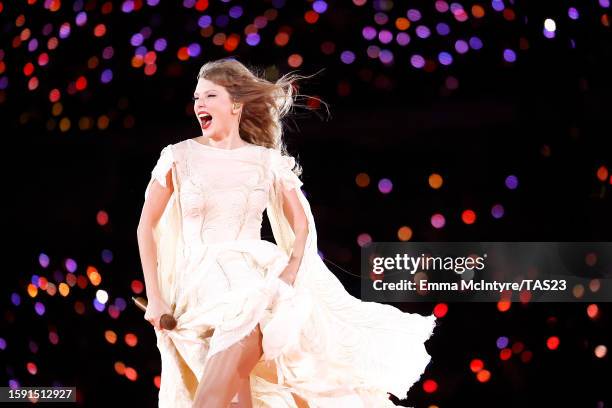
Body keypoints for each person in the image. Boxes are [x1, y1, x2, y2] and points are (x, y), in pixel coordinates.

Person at [137, 58, 438, 408]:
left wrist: (291, 271)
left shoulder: (265, 161)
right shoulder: (179, 157)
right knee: (236, 399)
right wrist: (155, 297)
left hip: (251, 286)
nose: (199, 104)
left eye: (210, 96)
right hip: (195, 293)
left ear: (236, 104)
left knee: (213, 397)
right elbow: (147, 226)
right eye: (196, 98)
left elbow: (301, 223)